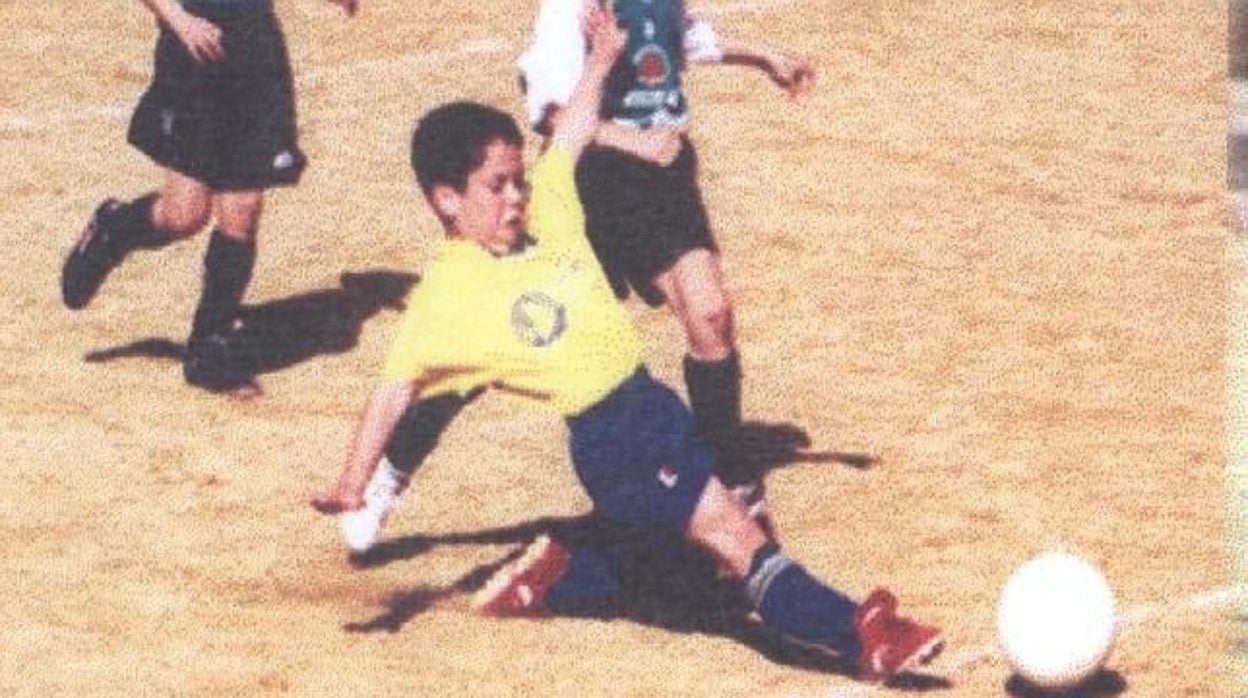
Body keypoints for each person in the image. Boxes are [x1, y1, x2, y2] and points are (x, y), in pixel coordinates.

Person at [311, 10, 941, 683]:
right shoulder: (445, 300)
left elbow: (577, 124)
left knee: (681, 571)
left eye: (517, 179)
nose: (516, 197)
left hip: (654, 409)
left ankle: (558, 576)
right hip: (614, 441)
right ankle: (860, 634)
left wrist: (606, 56)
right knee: (736, 543)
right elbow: (393, 392)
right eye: (495, 187)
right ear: (445, 199)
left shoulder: (550, 207)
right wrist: (354, 482)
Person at [516, 0, 816, 521]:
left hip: (661, 179)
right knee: (535, 335)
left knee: (711, 314)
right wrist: (631, 139)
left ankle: (729, 474)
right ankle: (392, 467)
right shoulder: (572, 7)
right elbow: (549, 110)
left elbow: (683, 36)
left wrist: (763, 56)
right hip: (589, 185)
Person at [60, 0, 359, 394]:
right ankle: (114, 229)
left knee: (244, 206)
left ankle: (209, 347)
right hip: (195, 55)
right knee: (185, 215)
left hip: (255, 58)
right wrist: (179, 20)